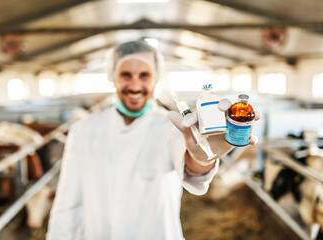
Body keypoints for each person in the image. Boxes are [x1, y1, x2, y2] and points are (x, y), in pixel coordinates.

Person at [46, 40, 259, 240]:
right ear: (113, 78)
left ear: (156, 78)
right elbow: (67, 204)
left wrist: (203, 156)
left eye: (144, 75)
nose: (135, 85)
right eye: (126, 75)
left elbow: (189, 162)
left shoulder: (172, 127)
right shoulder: (83, 131)